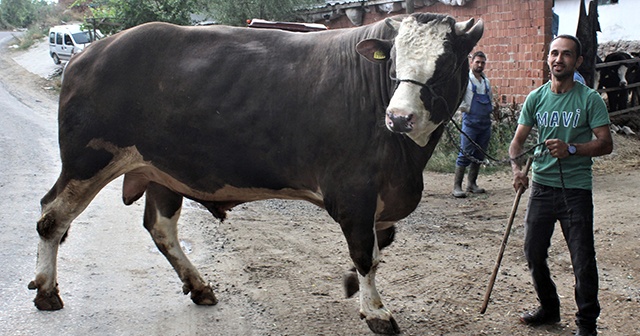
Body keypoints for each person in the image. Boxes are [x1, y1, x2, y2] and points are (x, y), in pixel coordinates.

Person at [509, 35, 613, 336]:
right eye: (554, 53)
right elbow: (517, 143)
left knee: (582, 258)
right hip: (541, 187)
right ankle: (549, 308)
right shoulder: (536, 97)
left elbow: (605, 144)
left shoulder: (589, 99)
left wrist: (571, 149)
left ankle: (586, 323)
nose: (558, 59)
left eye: (566, 55)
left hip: (575, 189)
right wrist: (517, 169)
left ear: (577, 61)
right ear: (548, 59)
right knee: (533, 252)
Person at [453, 51, 493, 198]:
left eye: (483, 62)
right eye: (478, 62)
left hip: (485, 122)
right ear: (472, 63)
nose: (480, 65)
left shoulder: (485, 82)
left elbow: (490, 99)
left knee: (479, 154)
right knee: (465, 153)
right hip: (470, 122)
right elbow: (459, 97)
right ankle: (457, 186)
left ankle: (472, 184)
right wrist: (465, 109)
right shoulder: (467, 80)